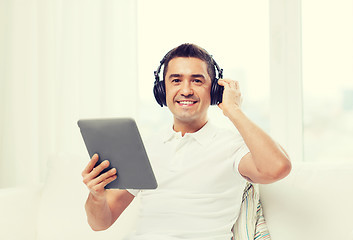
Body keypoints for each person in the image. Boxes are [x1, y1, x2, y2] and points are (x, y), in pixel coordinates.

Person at [81, 43, 291, 240]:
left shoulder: (232, 145)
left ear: (215, 91)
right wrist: (96, 196)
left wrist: (233, 110)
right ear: (162, 89)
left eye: (197, 80)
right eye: (176, 80)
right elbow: (100, 223)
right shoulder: (144, 148)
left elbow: (278, 167)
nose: (186, 90)